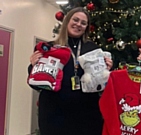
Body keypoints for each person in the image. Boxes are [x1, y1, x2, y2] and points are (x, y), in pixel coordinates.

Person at [28, 7, 113, 135]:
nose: (78, 24)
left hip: (86, 115)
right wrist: (33, 66)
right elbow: (34, 82)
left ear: (86, 27)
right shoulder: (50, 48)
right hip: (54, 114)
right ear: (67, 21)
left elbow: (101, 82)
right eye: (76, 20)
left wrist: (106, 68)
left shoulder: (93, 49)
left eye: (83, 23)